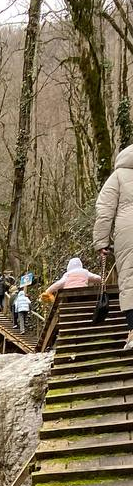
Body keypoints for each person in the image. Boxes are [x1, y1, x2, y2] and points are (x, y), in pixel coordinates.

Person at [95, 144, 133, 350]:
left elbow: (104, 210)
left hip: (128, 235)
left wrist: (102, 242)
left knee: (130, 280)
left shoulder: (117, 177)